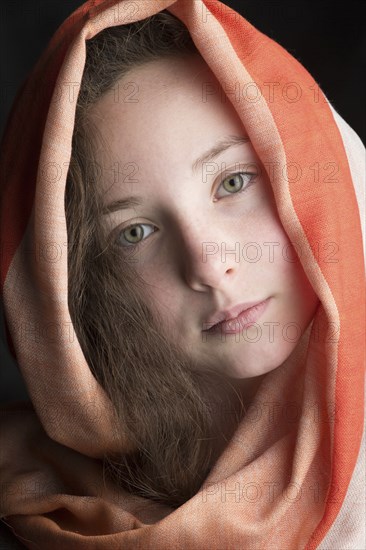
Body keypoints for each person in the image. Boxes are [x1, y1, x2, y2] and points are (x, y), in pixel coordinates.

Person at [0, 1, 365, 548]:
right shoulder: (29, 504)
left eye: (234, 182)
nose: (208, 264)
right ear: (77, 289)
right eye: (135, 233)